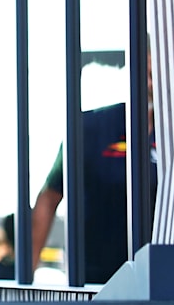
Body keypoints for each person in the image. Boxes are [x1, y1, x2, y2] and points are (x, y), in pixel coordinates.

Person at [29, 101, 157, 285]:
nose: (152, 81)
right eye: (149, 74)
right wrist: (28, 273)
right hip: (95, 278)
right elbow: (50, 196)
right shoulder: (91, 126)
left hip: (161, 275)